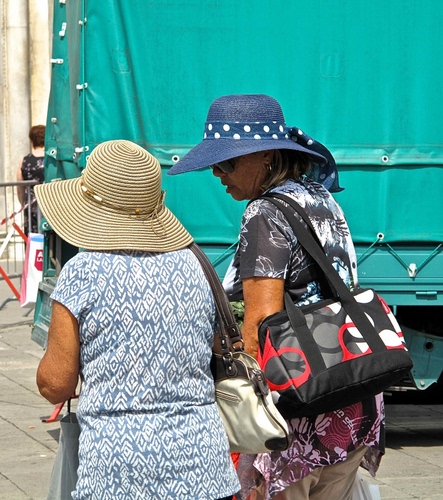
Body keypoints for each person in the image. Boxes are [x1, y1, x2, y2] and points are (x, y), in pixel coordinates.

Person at [168, 94, 384, 500]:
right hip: (350, 398)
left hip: (298, 412)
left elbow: (261, 324)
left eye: (227, 161)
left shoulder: (264, 213)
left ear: (266, 155)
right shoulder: (318, 196)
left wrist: (246, 425)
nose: (217, 172)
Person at [35, 140, 240, 500]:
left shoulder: (82, 271)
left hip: (118, 474)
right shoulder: (195, 264)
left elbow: (56, 384)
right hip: (205, 469)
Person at [16, 124, 45, 235]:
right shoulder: (51, 160)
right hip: (51, 205)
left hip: (31, 207)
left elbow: (20, 188)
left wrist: (24, 203)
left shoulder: (25, 161)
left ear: (32, 140)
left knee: (32, 239)